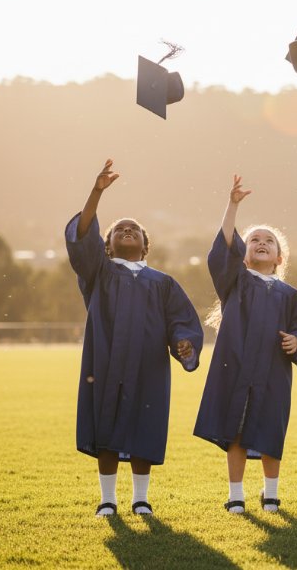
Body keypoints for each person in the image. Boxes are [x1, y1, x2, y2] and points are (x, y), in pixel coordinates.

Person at [65, 158, 203, 517]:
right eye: (118, 229)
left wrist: (183, 342)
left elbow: (181, 321)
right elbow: (82, 237)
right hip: (106, 360)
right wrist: (96, 192)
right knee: (106, 423)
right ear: (107, 245)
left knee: (146, 423)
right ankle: (107, 500)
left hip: (148, 364)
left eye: (135, 229)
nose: (127, 230)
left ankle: (141, 499)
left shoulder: (162, 282)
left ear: (145, 245)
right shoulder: (99, 272)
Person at [193, 175, 297, 513]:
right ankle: (236, 494)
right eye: (254, 240)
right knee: (235, 428)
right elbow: (223, 250)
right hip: (234, 366)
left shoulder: (291, 296)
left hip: (273, 370)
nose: (261, 243)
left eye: (269, 241)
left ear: (280, 257)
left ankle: (271, 493)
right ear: (244, 255)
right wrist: (233, 205)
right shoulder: (234, 282)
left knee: (270, 429)